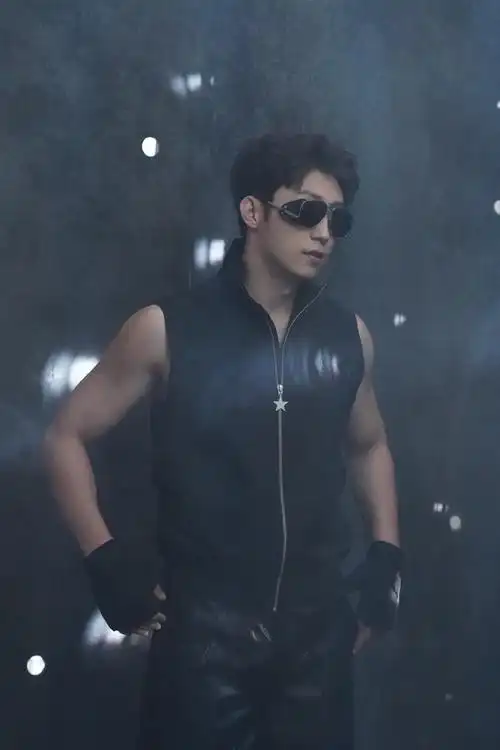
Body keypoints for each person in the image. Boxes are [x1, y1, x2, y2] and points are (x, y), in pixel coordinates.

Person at [44, 133, 402, 750]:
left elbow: (369, 445)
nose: (323, 233)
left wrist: (386, 557)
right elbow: (65, 437)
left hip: (318, 640)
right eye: (304, 211)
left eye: (337, 219)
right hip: (202, 645)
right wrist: (104, 559)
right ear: (252, 211)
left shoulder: (349, 336)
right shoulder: (166, 329)